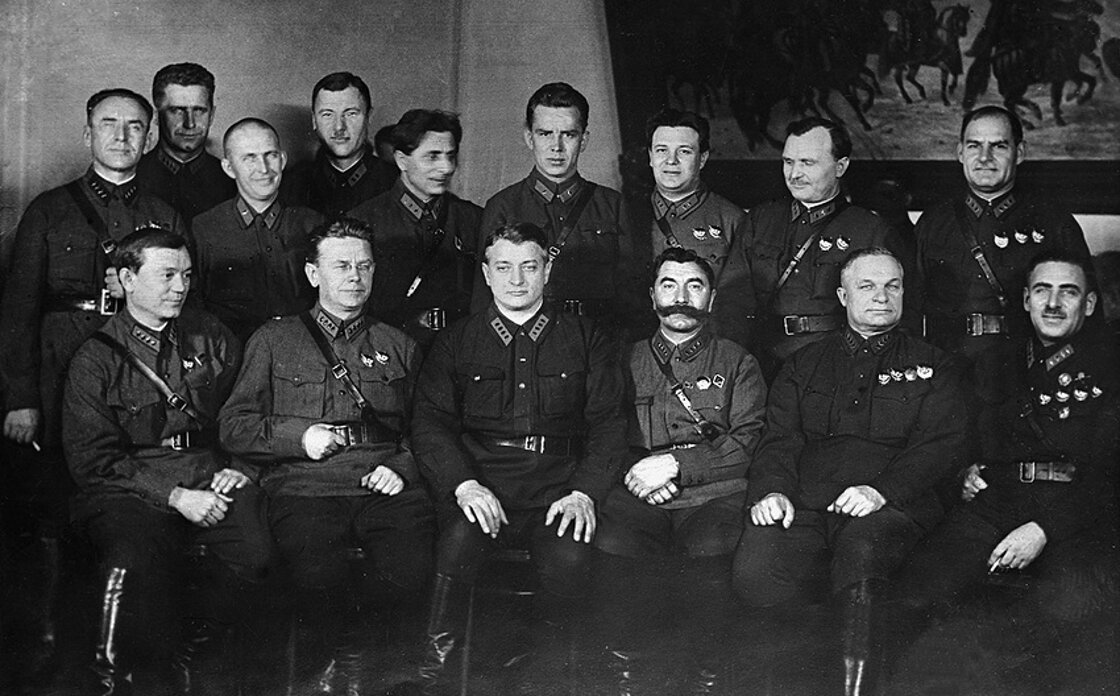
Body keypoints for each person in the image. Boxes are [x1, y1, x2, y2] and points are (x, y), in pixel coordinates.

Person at [393, 222, 627, 695]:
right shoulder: (457, 340)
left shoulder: (586, 338)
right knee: (457, 542)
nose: (516, 280)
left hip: (556, 491)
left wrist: (583, 492)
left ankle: (551, 680)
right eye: (503, 267)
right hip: (482, 487)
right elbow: (430, 424)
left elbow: (610, 424)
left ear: (548, 270)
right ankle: (437, 677)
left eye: (529, 266)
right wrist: (463, 485)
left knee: (569, 557)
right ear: (486, 273)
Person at [0, 89, 182, 686]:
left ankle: (114, 654)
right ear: (88, 135)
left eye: (135, 127)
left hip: (134, 380)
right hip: (56, 374)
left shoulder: (164, 212)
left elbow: (184, 307)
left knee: (119, 512)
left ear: (149, 138)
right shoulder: (50, 211)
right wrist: (20, 397)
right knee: (54, 515)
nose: (122, 137)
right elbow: (18, 309)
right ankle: (54, 654)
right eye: (109, 124)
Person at [732, 248, 968, 696]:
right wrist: (773, 491)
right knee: (757, 569)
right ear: (843, 296)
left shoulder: (933, 364)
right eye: (867, 286)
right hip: (806, 503)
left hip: (893, 507)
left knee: (862, 551)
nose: (882, 296)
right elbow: (779, 439)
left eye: (892, 286)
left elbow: (941, 445)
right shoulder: (803, 363)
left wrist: (881, 491)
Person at [220, 218, 434, 693]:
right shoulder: (273, 341)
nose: (354, 276)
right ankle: (322, 680)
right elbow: (235, 425)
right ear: (313, 274)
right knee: (318, 573)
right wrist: (299, 437)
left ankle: (382, 682)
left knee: (409, 568)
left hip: (384, 486)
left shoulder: (399, 345)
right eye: (341, 266)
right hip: (305, 487)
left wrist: (402, 467)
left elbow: (428, 428)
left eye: (364, 266)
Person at [64, 227, 270, 695]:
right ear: (127, 279)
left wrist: (241, 468)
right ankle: (121, 680)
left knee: (256, 551)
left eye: (187, 275)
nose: (181, 287)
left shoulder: (211, 336)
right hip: (128, 489)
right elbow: (93, 460)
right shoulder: (94, 359)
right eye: (167, 275)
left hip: (209, 474)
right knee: (134, 558)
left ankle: (199, 670)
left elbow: (247, 410)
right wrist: (176, 497)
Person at [894, 252, 1119, 675]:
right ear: (1026, 300)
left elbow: (1110, 476)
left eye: (1068, 292)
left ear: (1089, 304)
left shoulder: (1112, 366)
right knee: (918, 586)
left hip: (1077, 511)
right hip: (998, 499)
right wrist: (963, 473)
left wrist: (1043, 529)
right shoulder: (996, 361)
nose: (1053, 304)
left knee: (1063, 609)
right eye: (1042, 291)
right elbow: (961, 438)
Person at [594, 247, 766, 693]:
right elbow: (603, 433)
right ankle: (631, 677)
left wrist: (675, 465)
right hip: (637, 491)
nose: (681, 298)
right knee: (615, 541)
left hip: (714, 493)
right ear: (652, 296)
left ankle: (705, 678)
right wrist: (638, 475)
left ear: (711, 298)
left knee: (711, 545)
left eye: (695, 286)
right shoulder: (622, 360)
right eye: (669, 285)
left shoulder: (738, 362)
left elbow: (748, 442)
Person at [915, 105, 1090, 367]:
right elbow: (909, 307)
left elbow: (1087, 310)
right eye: (974, 146)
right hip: (948, 366)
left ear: (1019, 153)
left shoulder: (1054, 222)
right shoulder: (933, 222)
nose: (984, 157)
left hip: (1028, 368)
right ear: (960, 153)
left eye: (998, 146)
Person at [737, 117, 907, 381]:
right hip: (762, 363)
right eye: (788, 162)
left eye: (808, 163)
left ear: (840, 166)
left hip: (836, 367)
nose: (794, 174)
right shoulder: (760, 220)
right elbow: (731, 300)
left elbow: (896, 315)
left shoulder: (870, 230)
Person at [468, 82, 641, 338]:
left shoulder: (612, 205)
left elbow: (631, 293)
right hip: (531, 341)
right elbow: (483, 300)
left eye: (568, 134)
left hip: (601, 338)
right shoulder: (503, 206)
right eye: (545, 133)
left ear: (584, 140)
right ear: (529, 138)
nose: (556, 146)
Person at [349, 109, 482, 350]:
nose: (446, 167)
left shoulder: (472, 219)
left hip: (459, 350)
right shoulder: (363, 221)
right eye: (432, 157)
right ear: (402, 161)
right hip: (390, 350)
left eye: (451, 156)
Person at [190, 118, 323, 343]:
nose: (263, 169)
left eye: (270, 155)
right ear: (229, 168)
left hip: (302, 349)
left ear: (283, 160)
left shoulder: (313, 223)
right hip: (232, 352)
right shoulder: (204, 229)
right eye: (250, 158)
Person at [644, 108, 752, 348]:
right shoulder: (628, 214)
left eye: (684, 151)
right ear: (650, 156)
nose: (671, 161)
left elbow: (737, 304)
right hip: (645, 352)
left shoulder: (732, 219)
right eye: (661, 150)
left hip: (710, 350)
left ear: (702, 158)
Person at [281, 71, 396, 217]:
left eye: (351, 114)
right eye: (327, 115)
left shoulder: (396, 182)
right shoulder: (292, 185)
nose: (339, 127)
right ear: (314, 120)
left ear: (368, 117)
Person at [136, 63, 235, 220]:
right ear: (156, 116)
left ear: (211, 115)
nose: (190, 124)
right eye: (177, 111)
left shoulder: (233, 181)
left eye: (199, 111)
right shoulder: (133, 176)